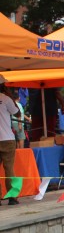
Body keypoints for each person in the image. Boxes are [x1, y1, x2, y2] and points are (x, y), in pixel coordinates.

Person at [0, 78, 23, 206]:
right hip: (7, 139)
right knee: (9, 169)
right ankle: (12, 197)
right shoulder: (6, 98)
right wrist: (9, 95)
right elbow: (18, 113)